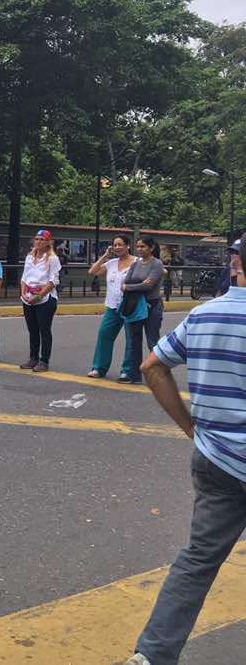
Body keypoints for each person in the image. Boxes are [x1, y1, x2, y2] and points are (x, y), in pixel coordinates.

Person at [125, 248, 246, 665]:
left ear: (239, 264)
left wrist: (192, 429)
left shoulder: (205, 314)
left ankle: (151, 656)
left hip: (216, 460)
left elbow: (153, 366)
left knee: (197, 561)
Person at [86, 234, 136, 380]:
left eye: (121, 244)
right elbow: (92, 272)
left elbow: (160, 271)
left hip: (130, 307)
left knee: (131, 339)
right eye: (115, 245)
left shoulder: (137, 262)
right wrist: (105, 256)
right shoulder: (111, 263)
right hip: (113, 306)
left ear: (128, 246)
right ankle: (98, 368)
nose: (117, 247)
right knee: (104, 335)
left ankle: (127, 370)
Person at [122, 236, 166, 385]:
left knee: (152, 342)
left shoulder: (157, 264)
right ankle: (135, 375)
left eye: (143, 247)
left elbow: (149, 286)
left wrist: (131, 287)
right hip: (136, 307)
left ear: (151, 248)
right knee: (134, 341)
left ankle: (160, 376)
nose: (140, 250)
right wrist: (137, 284)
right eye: (138, 247)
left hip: (152, 307)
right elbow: (126, 281)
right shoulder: (135, 264)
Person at [19, 228, 61, 372]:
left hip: (45, 298)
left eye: (42, 239)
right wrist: (24, 293)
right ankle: (33, 358)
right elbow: (24, 277)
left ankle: (44, 360)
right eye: (37, 239)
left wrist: (39, 296)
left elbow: (53, 281)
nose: (38, 242)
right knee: (32, 329)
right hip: (28, 298)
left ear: (48, 242)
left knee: (44, 329)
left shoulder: (52, 259)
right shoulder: (30, 257)